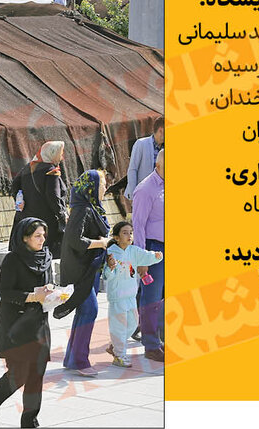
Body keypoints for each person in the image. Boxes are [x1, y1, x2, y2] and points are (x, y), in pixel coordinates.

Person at [0, 217, 55, 429]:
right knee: (19, 373)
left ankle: (30, 421)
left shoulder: (46, 257)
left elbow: (48, 285)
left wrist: (54, 294)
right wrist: (33, 296)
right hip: (16, 323)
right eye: (37, 236)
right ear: (24, 238)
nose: (42, 240)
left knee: (37, 374)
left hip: (39, 321)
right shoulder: (13, 260)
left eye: (43, 235)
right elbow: (5, 293)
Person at [52, 170, 113, 377]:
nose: (105, 188)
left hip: (90, 268)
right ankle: (80, 360)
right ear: (93, 187)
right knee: (89, 310)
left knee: (85, 311)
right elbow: (74, 241)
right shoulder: (83, 209)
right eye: (103, 184)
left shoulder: (93, 208)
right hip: (80, 271)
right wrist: (102, 243)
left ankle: (73, 359)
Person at [102, 221, 162, 368]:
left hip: (130, 295)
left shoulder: (133, 250)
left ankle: (115, 347)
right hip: (117, 297)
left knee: (134, 323)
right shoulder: (111, 253)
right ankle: (119, 356)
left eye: (130, 232)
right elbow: (106, 276)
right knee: (119, 327)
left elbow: (146, 256)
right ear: (116, 237)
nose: (129, 235)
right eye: (125, 233)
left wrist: (157, 256)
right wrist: (110, 268)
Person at [132, 149, 165, 362]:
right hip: (153, 249)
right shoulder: (145, 189)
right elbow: (138, 225)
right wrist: (142, 258)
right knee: (151, 298)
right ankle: (151, 345)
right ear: (161, 165)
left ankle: (162, 339)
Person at [12, 141, 68, 259]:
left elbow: (15, 185)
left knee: (30, 251)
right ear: (52, 153)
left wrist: (20, 201)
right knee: (45, 253)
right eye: (60, 153)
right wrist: (62, 214)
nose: (61, 157)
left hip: (27, 217)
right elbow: (53, 196)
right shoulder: (51, 170)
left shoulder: (28, 167)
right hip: (46, 220)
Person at [125, 119, 164, 210]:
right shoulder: (141, 144)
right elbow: (132, 169)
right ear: (161, 130)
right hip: (142, 195)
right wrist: (134, 195)